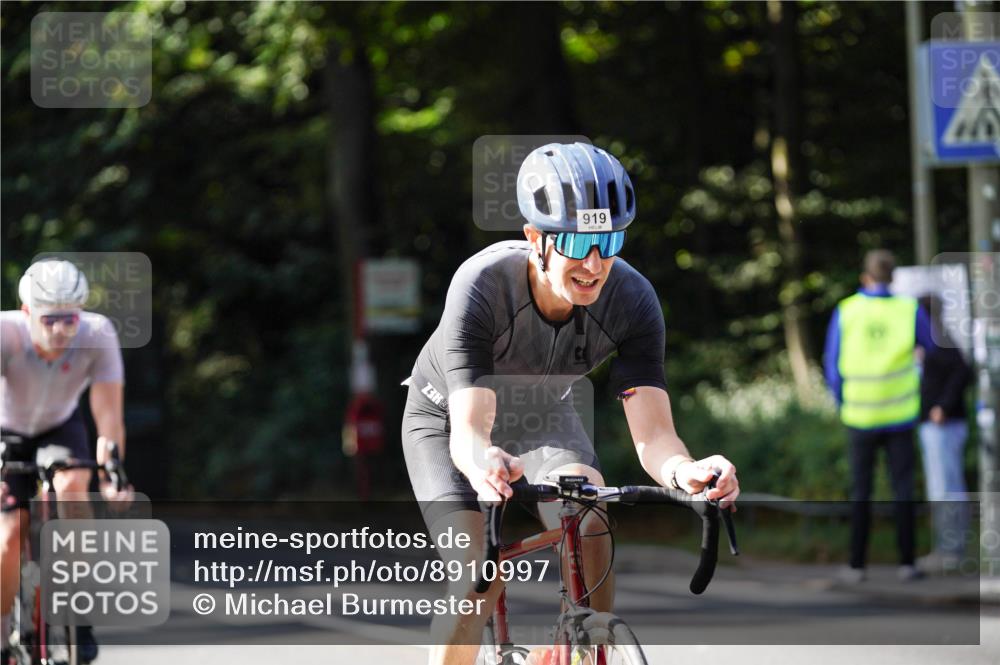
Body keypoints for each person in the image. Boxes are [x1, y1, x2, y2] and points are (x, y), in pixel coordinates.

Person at [401, 142, 740, 665]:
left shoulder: (632, 299)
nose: (594, 262)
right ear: (534, 238)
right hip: (447, 418)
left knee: (591, 516)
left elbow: (653, 435)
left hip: (541, 412)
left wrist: (687, 471)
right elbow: (470, 433)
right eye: (578, 240)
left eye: (608, 239)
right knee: (479, 576)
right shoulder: (481, 285)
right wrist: (482, 460)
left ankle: (588, 648)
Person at [0, 259, 134, 664]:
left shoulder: (97, 333)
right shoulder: (5, 332)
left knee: (75, 488)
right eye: (50, 319)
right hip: (5, 428)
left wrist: (112, 473)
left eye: (69, 319)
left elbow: (109, 414)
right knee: (8, 536)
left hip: (60, 425)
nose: (61, 330)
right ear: (28, 314)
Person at [823, 249, 935, 583]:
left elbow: (832, 365)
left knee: (861, 492)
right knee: (903, 490)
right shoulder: (908, 308)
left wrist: (843, 400)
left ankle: (857, 565)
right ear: (893, 277)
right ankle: (907, 563)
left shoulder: (847, 310)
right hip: (901, 414)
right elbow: (930, 349)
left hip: (859, 416)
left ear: (865, 277)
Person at [916, 295, 972, 573]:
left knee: (945, 489)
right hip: (937, 424)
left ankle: (951, 550)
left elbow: (963, 370)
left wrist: (942, 407)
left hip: (942, 425)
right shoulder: (934, 339)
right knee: (943, 488)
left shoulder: (938, 340)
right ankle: (947, 548)